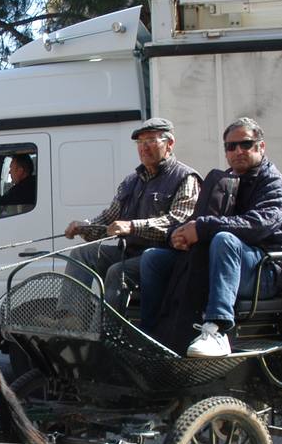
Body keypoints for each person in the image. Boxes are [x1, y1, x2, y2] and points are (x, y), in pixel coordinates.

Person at [141, 116, 282, 357]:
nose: (237, 151)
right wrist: (177, 235)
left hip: (264, 270)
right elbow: (193, 218)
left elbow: (256, 226)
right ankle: (149, 335)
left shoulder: (275, 185)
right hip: (224, 262)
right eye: (230, 146)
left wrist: (200, 229)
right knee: (153, 258)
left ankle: (217, 329)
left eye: (245, 144)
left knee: (225, 240)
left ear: (261, 146)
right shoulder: (225, 181)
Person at [60, 117, 201, 310]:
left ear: (169, 144)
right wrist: (83, 227)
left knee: (118, 271)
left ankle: (109, 332)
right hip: (131, 252)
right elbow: (109, 219)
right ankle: (72, 317)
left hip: (164, 255)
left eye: (151, 141)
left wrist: (133, 226)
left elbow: (177, 222)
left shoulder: (185, 178)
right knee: (81, 254)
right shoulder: (132, 181)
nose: (144, 147)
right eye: (140, 142)